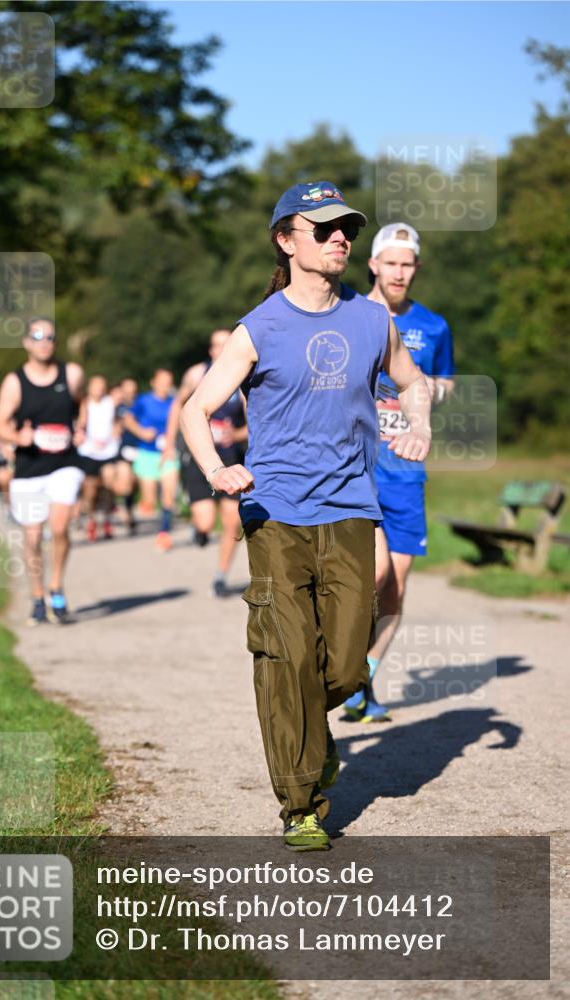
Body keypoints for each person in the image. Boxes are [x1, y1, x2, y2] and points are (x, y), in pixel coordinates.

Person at [181, 181, 431, 851]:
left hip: (351, 509)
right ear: (285, 241)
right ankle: (301, 805)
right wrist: (216, 469)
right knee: (287, 655)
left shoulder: (370, 320)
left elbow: (411, 382)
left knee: (347, 667)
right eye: (322, 229)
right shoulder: (258, 327)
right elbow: (194, 411)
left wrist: (420, 426)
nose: (339, 237)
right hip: (276, 514)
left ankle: (311, 737)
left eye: (344, 227)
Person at [343, 223, 455, 723]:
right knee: (376, 572)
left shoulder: (434, 326)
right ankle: (343, 666)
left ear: (417, 269)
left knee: (396, 588)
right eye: (390, 262)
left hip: (406, 470)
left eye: (407, 264)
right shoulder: (350, 313)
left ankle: (363, 675)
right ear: (373, 265)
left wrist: (420, 388)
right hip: (356, 468)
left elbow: (446, 384)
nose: (399, 272)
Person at [0, 317, 85, 625]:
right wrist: (19, 438)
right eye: (38, 336)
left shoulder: (71, 374)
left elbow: (81, 402)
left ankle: (56, 587)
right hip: (29, 467)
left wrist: (80, 426)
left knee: (59, 527)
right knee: (32, 538)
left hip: (65, 463)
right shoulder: (14, 381)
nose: (44, 341)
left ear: (55, 343)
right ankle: (36, 596)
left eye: (50, 337)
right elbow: (0, 424)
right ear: (27, 343)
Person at [163, 329, 248, 596]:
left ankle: (221, 576)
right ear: (210, 350)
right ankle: (199, 530)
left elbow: (254, 421)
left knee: (232, 523)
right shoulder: (195, 374)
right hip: (199, 457)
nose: (222, 349)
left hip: (231, 457)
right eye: (217, 345)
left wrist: (235, 434)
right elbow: (180, 408)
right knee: (206, 521)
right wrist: (168, 443)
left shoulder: (243, 376)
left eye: (227, 344)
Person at [126, 368, 179, 552]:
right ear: (153, 382)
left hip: (168, 453)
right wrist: (141, 432)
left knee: (169, 494)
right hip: (147, 454)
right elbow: (128, 419)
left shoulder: (175, 402)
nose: (165, 385)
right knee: (149, 501)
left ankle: (164, 532)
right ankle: (136, 505)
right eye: (162, 380)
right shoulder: (143, 400)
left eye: (168, 381)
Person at [77, 375, 121, 541]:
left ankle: (108, 520)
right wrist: (80, 432)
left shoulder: (110, 402)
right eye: (96, 386)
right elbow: (81, 422)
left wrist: (116, 431)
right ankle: (92, 520)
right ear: (90, 388)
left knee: (110, 480)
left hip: (108, 451)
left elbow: (117, 420)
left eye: (102, 386)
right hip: (89, 451)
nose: (99, 390)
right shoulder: (85, 403)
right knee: (90, 489)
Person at [113, 377, 139, 535]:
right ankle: (126, 512)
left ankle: (128, 507)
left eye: (133, 392)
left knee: (134, 483)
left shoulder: (140, 406)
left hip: (139, 450)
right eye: (127, 391)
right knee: (126, 482)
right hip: (123, 450)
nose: (130, 395)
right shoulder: (117, 408)